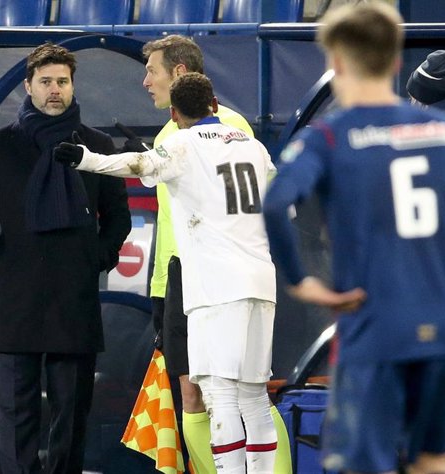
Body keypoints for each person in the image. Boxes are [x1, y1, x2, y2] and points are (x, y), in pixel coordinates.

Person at [55, 72, 279, 473]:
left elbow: (134, 163)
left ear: (174, 113)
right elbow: (281, 198)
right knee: (255, 395)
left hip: (215, 288)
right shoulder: (254, 146)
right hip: (261, 282)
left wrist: (85, 159)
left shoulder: (180, 145)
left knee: (220, 393)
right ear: (214, 105)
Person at [263, 3, 445, 474]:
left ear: (337, 62)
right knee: (433, 460)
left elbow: (274, 203)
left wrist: (302, 281)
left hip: (375, 327)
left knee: (364, 463)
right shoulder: (441, 132)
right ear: (393, 63)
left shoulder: (329, 137)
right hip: (441, 327)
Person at [0, 42, 131, 474]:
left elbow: (119, 216)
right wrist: (0, 261)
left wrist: (98, 256)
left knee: (70, 416)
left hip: (74, 298)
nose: (55, 90)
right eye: (46, 82)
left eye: (62, 81)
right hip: (17, 298)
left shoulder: (96, 144)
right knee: (16, 417)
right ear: (28, 86)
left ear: (72, 86)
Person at [140, 34, 291, 473]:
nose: (145, 80)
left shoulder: (230, 127)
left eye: (152, 70)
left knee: (242, 392)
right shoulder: (170, 130)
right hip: (174, 276)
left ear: (180, 74)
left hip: (220, 278)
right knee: (191, 392)